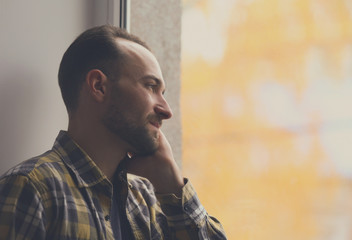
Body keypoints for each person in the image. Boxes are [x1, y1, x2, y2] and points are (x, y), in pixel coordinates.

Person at [0, 25, 226, 240]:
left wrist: (174, 187)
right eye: (150, 86)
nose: (166, 111)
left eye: (163, 92)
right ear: (99, 86)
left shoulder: (145, 198)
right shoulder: (31, 189)